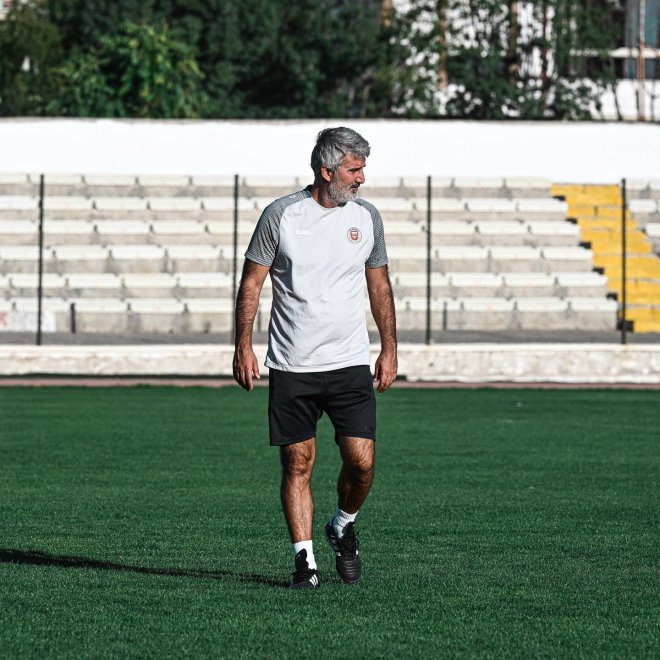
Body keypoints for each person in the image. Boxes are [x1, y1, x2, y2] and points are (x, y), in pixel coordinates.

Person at [233, 126, 397, 589]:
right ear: (327, 171)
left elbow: (379, 285)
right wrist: (243, 345)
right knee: (298, 463)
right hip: (292, 365)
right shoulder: (280, 215)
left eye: (362, 169)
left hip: (348, 362)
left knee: (362, 462)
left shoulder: (366, 218)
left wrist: (389, 348)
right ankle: (304, 564)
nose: (361, 178)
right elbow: (252, 283)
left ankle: (342, 526)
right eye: (354, 169)